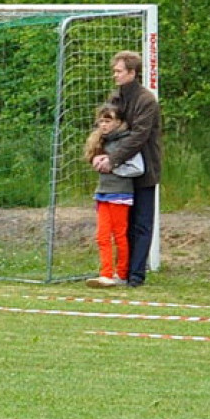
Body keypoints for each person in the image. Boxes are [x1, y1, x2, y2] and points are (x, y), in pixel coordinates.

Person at [91, 51, 162, 287]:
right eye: (114, 71)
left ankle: (136, 275)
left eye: (119, 71)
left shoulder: (146, 100)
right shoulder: (116, 98)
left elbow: (139, 136)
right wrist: (97, 154)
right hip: (118, 177)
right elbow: (106, 126)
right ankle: (118, 271)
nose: (115, 75)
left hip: (144, 171)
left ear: (132, 72)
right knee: (121, 226)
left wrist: (113, 159)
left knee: (141, 223)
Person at [83, 103, 141, 288]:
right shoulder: (102, 141)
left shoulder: (126, 142)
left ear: (119, 122)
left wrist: (113, 167)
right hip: (103, 193)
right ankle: (105, 272)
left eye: (108, 121)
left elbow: (138, 168)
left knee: (119, 235)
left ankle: (121, 273)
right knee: (102, 235)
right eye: (101, 121)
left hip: (120, 193)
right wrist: (96, 160)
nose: (104, 125)